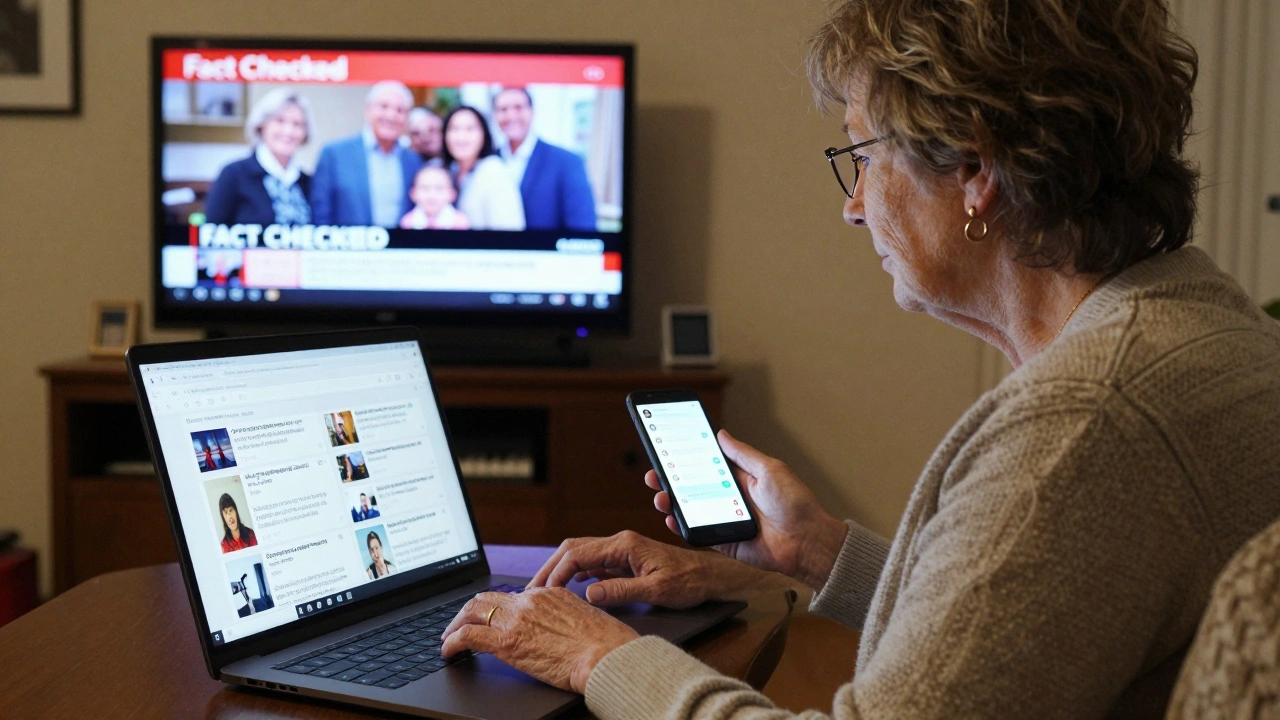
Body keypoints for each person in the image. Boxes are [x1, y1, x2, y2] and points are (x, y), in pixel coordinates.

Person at [436, 0, 1280, 717]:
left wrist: (597, 658)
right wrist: (823, 554)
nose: (852, 206)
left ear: (976, 168)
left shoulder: (1084, 424)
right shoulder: (1208, 328)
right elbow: (1040, 639)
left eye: (863, 156)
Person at [310, 81, 423, 227]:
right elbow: (320, 213)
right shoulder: (334, 155)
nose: (391, 115)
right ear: (368, 109)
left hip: (399, 248)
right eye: (384, 106)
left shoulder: (413, 161)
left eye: (400, 110)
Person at [204, 88, 314, 226]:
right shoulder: (234, 175)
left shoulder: (308, 183)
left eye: (297, 124)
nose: (288, 131)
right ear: (262, 125)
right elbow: (211, 232)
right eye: (280, 121)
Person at [493, 87, 597, 232]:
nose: (510, 115)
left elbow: (583, 227)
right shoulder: (488, 160)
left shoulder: (567, 163)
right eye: (503, 109)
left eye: (518, 107)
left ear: (532, 111)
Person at [440, 106, 525, 231]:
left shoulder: (494, 171)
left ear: (484, 134)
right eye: (454, 129)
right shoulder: (447, 171)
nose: (461, 137)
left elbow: (509, 232)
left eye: (470, 129)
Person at [400, 166, 470, 229]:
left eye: (439, 188)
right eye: (425, 188)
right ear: (413, 193)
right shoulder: (407, 223)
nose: (432, 195)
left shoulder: (460, 223)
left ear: (452, 194)